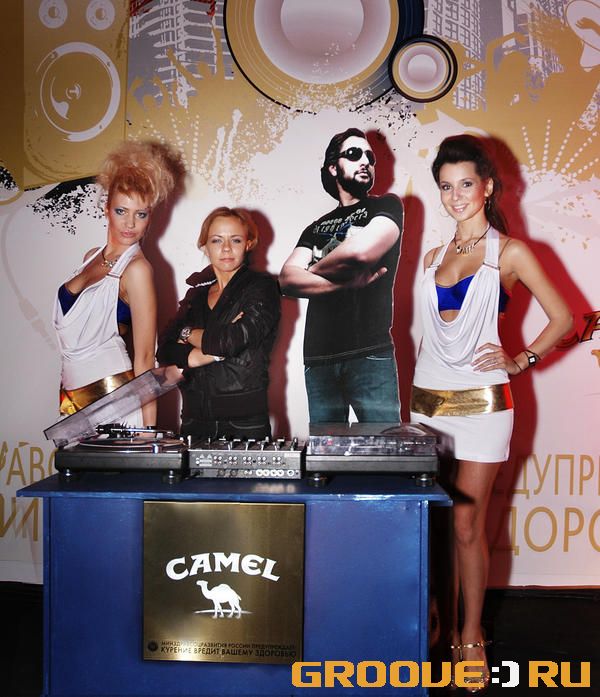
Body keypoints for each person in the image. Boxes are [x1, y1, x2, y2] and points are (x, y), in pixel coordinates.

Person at [410, 134, 573, 691]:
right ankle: (435, 617)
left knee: (465, 525)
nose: (455, 195)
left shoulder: (511, 253)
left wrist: (521, 359)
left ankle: (471, 633)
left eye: (465, 184)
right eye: (445, 186)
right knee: (433, 525)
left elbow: (563, 318)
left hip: (482, 404)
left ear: (487, 187)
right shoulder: (431, 258)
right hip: (427, 404)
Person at [53, 139, 185, 427]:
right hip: (72, 401)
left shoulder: (138, 270)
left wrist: (148, 432)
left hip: (116, 406)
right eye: (121, 211)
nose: (130, 224)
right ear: (106, 208)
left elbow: (145, 357)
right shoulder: (90, 257)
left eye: (141, 214)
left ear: (150, 218)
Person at [279, 127, 403, 424]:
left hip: (370, 353)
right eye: (354, 154)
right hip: (318, 357)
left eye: (370, 157)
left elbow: (358, 254)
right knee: (325, 451)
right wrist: (344, 283)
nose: (366, 161)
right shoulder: (316, 227)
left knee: (385, 448)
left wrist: (311, 270)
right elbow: (286, 280)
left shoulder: (385, 206)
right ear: (333, 168)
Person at [156, 207, 280, 441]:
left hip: (243, 422)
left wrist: (187, 336)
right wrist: (201, 353)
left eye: (235, 240)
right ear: (204, 246)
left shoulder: (262, 287)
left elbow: (229, 342)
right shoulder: (196, 295)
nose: (226, 248)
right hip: (193, 420)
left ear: (248, 244)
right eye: (216, 240)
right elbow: (164, 349)